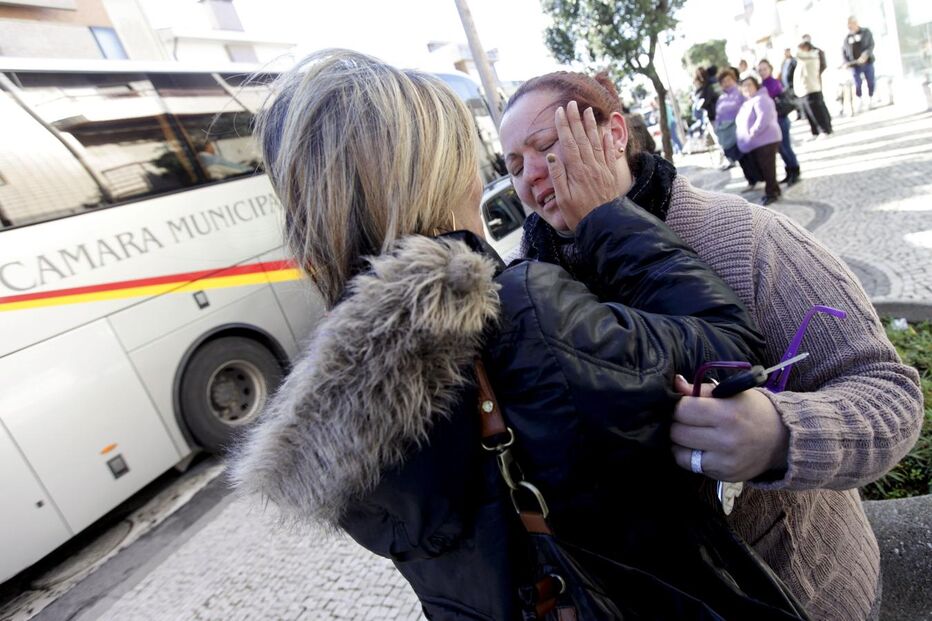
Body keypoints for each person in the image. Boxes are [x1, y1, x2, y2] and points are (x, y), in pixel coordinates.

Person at [230, 50, 796, 619]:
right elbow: (732, 350)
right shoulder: (525, 313)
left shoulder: (332, 413)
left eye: (550, 149)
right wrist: (607, 217)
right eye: (499, 157)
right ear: (443, 173)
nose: (522, 173)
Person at [501, 69, 923, 620]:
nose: (533, 175)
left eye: (549, 145)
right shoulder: (524, 290)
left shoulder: (747, 237)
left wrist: (780, 436)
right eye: (513, 166)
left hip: (804, 594)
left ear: (614, 134)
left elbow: (890, 394)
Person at [736, 75, 782, 205]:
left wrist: (753, 132)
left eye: (749, 84)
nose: (747, 88)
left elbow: (764, 118)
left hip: (766, 140)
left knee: (768, 169)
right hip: (758, 142)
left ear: (756, 85)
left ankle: (771, 192)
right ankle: (774, 189)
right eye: (744, 86)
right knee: (766, 168)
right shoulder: (749, 101)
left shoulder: (761, 99)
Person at [758, 59, 801, 185]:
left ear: (770, 69)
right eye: (760, 70)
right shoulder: (762, 85)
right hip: (773, 122)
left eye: (764, 69)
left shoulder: (773, 83)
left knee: (786, 146)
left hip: (781, 119)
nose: (762, 72)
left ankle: (794, 170)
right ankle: (789, 171)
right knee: (781, 149)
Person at [794, 40, 834, 139]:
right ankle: (815, 132)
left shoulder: (812, 55)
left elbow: (797, 54)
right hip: (803, 90)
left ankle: (824, 130)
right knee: (809, 113)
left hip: (811, 88)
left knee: (817, 112)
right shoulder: (804, 58)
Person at [713, 66, 745, 171]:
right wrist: (718, 129)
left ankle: (756, 179)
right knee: (739, 159)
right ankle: (751, 181)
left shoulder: (741, 92)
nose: (727, 83)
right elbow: (718, 116)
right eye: (724, 81)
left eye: (729, 80)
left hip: (741, 131)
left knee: (747, 158)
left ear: (733, 79)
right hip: (728, 136)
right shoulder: (721, 98)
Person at [843, 16, 877, 109]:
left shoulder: (866, 32)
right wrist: (846, 62)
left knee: (870, 80)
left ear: (856, 23)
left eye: (851, 24)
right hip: (854, 64)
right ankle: (860, 99)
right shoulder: (847, 37)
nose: (850, 27)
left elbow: (871, 45)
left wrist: (865, 55)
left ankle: (871, 98)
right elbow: (844, 51)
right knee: (857, 83)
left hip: (867, 62)